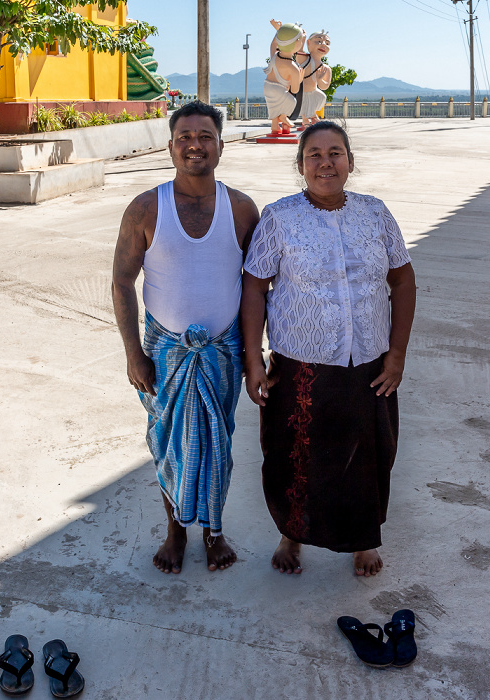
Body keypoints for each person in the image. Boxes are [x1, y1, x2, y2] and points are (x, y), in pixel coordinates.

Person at [241, 122, 416, 577]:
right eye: (314, 154)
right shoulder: (279, 217)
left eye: (335, 152)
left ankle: (363, 541)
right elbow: (255, 287)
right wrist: (253, 359)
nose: (325, 162)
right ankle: (292, 535)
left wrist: (396, 354)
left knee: (370, 454)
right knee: (295, 455)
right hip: (301, 367)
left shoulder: (375, 213)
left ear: (350, 162)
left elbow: (402, 280)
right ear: (300, 165)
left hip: (369, 364)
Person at [112, 101, 259, 574]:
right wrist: (134, 353)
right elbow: (121, 282)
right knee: (169, 442)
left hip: (222, 352)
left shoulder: (240, 208)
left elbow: (258, 286)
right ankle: (176, 530)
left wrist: (256, 355)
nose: (195, 145)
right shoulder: (145, 208)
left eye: (205, 136)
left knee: (217, 443)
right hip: (164, 351)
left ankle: (213, 531)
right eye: (185, 137)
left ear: (220, 143)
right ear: (171, 144)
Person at [263, 21, 305, 135]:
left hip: (267, 87)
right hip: (279, 90)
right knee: (291, 101)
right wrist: (300, 78)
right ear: (297, 43)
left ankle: (275, 127)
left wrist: (278, 31)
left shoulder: (274, 56)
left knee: (273, 107)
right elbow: (295, 90)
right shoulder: (292, 67)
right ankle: (283, 116)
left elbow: (273, 44)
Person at [298, 31, 332, 126]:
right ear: (308, 43)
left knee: (321, 96)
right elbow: (299, 50)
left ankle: (312, 117)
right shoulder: (304, 59)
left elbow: (324, 87)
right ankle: (306, 119)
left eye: (327, 43)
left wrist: (320, 79)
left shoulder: (326, 68)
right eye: (318, 41)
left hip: (313, 92)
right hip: (300, 92)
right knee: (304, 105)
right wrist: (303, 38)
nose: (323, 45)